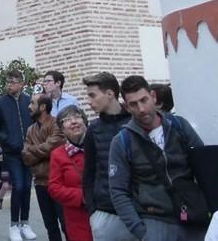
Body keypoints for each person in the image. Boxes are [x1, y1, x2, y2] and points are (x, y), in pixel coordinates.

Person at [109, 75, 206, 241]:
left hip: (193, 215)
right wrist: (141, 231)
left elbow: (205, 169)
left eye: (144, 100)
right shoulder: (122, 141)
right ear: (127, 107)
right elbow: (118, 191)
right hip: (155, 222)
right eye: (133, 104)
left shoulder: (179, 126)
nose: (141, 109)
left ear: (153, 97)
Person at [82, 72, 134, 241]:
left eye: (92, 95)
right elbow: (89, 172)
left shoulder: (135, 123)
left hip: (138, 209)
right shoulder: (93, 129)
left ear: (110, 94)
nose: (89, 102)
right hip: (104, 212)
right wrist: (93, 210)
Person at [0, 69, 39, 241]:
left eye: (13, 82)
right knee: (18, 186)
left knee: (27, 187)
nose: (9, 85)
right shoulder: (0, 103)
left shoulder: (29, 101)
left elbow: (37, 123)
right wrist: (9, 140)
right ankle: (13, 225)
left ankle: (25, 223)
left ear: (21, 84)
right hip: (12, 153)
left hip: (29, 152)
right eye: (8, 82)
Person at [22, 93, 66, 241]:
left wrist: (33, 150)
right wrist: (43, 152)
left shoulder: (57, 124)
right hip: (40, 183)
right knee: (50, 226)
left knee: (66, 224)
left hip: (60, 182)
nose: (29, 107)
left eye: (32, 103)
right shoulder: (30, 130)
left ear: (42, 107)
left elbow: (52, 147)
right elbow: (26, 158)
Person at [49, 105, 94, 241]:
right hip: (78, 219)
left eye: (77, 117)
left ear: (84, 122)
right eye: (67, 119)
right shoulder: (58, 155)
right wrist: (82, 197)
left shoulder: (98, 145)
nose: (74, 121)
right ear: (62, 130)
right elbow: (54, 188)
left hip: (106, 213)